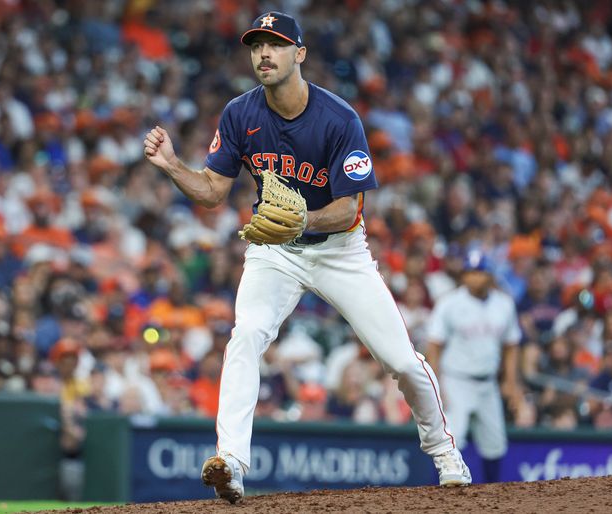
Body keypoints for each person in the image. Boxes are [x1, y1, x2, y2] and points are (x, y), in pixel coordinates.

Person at [143, 11, 469, 504]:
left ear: (300, 54)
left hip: (340, 251)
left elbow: (348, 208)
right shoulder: (240, 114)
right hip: (274, 252)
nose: (263, 55)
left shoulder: (339, 119)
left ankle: (444, 450)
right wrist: (171, 165)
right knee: (245, 336)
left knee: (400, 360)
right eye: (256, 47)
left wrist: (304, 221)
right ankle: (230, 462)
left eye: (274, 45)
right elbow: (212, 191)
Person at [426, 249, 522, 483]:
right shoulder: (449, 303)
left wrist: (510, 383)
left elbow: (511, 345)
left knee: (495, 443)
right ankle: (437, 498)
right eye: (470, 272)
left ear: (490, 276)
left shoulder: (504, 304)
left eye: (480, 272)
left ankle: (491, 496)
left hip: (488, 383)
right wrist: (437, 386)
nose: (475, 277)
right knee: (450, 442)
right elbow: (434, 345)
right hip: (456, 380)